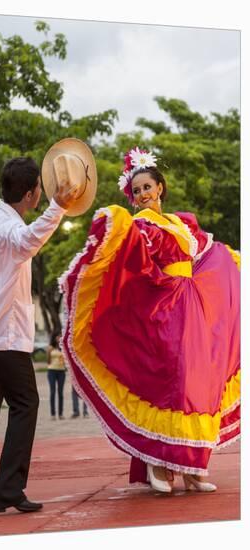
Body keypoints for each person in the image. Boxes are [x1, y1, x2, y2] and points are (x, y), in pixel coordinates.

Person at [59, 146, 240, 494]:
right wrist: (115, 221)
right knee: (170, 383)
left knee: (196, 385)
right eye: (136, 190)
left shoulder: (181, 222)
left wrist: (232, 265)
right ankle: (158, 463)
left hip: (193, 305)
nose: (142, 194)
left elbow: (206, 253)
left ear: (160, 187)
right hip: (163, 306)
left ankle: (193, 468)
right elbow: (135, 257)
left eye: (147, 187)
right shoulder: (141, 224)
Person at [0, 155, 80, 515]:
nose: (42, 191)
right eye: (40, 188)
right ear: (30, 193)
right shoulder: (7, 228)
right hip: (1, 334)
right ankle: (8, 490)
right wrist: (58, 208)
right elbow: (27, 241)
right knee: (25, 404)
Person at [47, 333, 66, 420]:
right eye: (57, 336)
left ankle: (61, 413)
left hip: (61, 371)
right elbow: (48, 360)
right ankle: (53, 414)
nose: (59, 338)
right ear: (54, 338)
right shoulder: (50, 347)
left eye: (60, 336)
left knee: (60, 393)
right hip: (52, 371)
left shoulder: (63, 347)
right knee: (52, 392)